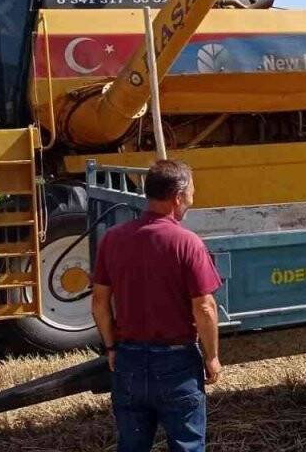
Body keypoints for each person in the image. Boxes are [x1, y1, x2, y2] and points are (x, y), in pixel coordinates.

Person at [91, 160, 222, 452]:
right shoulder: (187, 243)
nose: (193, 199)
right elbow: (205, 308)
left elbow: (99, 302)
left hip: (129, 362)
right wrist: (211, 357)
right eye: (192, 192)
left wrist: (112, 347)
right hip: (177, 364)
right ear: (178, 197)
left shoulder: (112, 240)